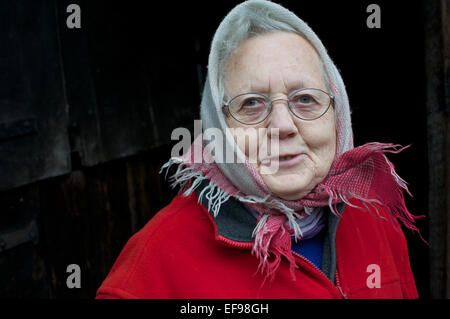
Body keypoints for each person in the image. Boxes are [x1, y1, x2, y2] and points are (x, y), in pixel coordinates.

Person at [96, 0, 422, 299]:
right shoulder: (149, 270)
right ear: (217, 126)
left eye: (305, 99)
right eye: (251, 104)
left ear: (337, 116)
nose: (283, 126)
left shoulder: (375, 217)